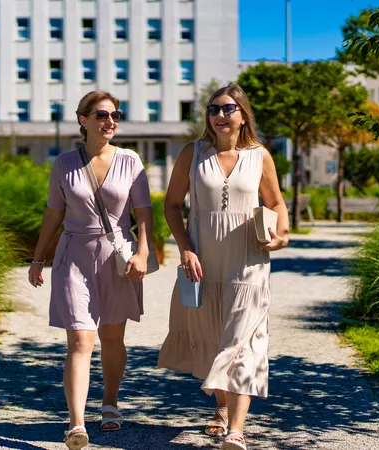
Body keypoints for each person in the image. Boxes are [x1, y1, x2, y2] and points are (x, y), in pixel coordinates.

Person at [157, 83, 289, 450]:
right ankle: (221, 406)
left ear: (243, 115)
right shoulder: (192, 153)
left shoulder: (259, 156)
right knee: (215, 338)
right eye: (213, 109)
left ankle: (236, 429)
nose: (219, 115)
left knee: (242, 342)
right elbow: (172, 205)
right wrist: (185, 249)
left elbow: (276, 203)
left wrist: (281, 236)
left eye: (228, 108)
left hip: (248, 264)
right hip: (203, 264)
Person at [28, 90, 154, 450]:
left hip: (117, 256)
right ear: (83, 120)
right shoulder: (64, 163)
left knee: (112, 337)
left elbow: (144, 212)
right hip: (74, 256)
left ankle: (110, 403)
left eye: (115, 115)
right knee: (80, 339)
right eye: (101, 115)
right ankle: (77, 424)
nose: (109, 121)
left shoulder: (130, 161)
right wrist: (38, 258)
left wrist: (143, 253)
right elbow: (54, 212)